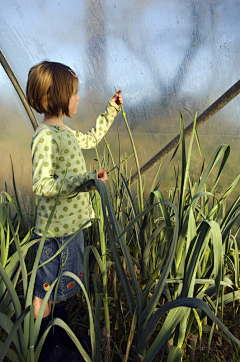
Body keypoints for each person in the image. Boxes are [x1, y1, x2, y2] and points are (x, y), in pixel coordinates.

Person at [27, 60, 123, 361]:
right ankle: (42, 346)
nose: (78, 98)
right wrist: (85, 179)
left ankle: (61, 335)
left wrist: (111, 109)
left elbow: (92, 138)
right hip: (54, 233)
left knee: (62, 287)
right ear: (56, 97)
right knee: (45, 289)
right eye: (74, 93)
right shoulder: (44, 137)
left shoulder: (66, 133)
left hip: (71, 228)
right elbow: (42, 184)